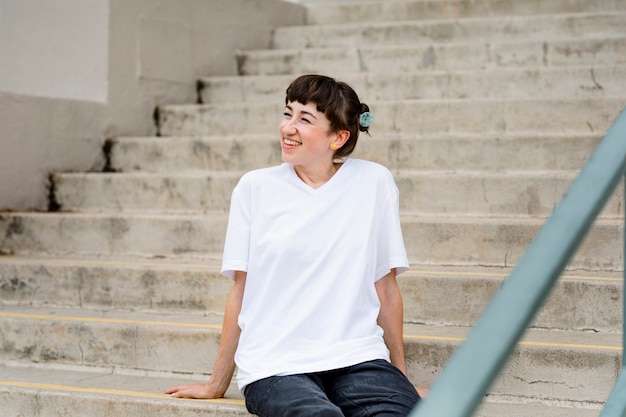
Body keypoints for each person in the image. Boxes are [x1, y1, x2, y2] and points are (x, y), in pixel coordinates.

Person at [167, 74, 422, 416]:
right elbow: (242, 292)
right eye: (288, 114)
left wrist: (399, 381)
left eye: (305, 119)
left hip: (356, 357)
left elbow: (386, 287)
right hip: (276, 364)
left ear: (339, 137)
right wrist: (217, 382)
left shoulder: (373, 183)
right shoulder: (255, 188)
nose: (288, 127)